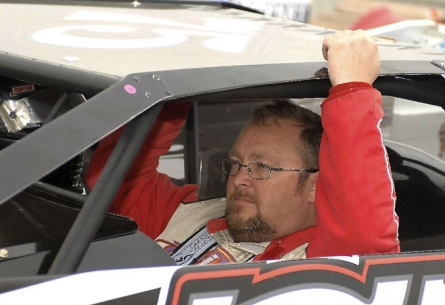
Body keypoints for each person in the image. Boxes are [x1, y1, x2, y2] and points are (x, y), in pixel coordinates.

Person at [85, 30, 400, 265]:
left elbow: (367, 237)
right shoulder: (194, 212)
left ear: (315, 186)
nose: (238, 179)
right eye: (235, 164)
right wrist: (169, 94)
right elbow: (113, 183)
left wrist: (352, 89)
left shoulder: (320, 261)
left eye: (262, 167)